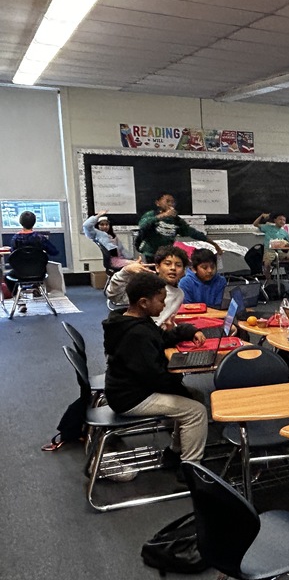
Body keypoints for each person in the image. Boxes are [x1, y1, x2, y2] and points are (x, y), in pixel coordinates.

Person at [103, 271, 210, 479]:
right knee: (196, 411)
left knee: (195, 397)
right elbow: (156, 378)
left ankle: (175, 451)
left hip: (132, 389)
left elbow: (163, 338)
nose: (164, 305)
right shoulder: (137, 334)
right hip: (132, 398)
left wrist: (189, 331)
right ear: (144, 302)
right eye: (161, 301)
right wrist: (179, 382)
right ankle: (192, 470)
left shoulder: (133, 320)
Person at [107, 245, 189, 326]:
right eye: (167, 264)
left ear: (183, 271)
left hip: (160, 333)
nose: (173, 268)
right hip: (141, 330)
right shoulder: (147, 287)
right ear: (157, 267)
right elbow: (114, 295)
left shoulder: (179, 294)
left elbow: (166, 320)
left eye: (178, 265)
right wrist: (125, 271)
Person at [136, 193, 221, 261]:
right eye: (167, 201)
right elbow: (143, 224)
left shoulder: (176, 220)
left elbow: (192, 232)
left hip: (165, 255)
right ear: (158, 203)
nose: (170, 204)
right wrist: (163, 215)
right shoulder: (152, 214)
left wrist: (213, 243)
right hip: (149, 254)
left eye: (173, 202)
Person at [252, 211, 289, 278]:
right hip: (269, 251)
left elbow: (287, 245)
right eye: (280, 219)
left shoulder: (284, 232)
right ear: (275, 220)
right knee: (267, 263)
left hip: (280, 252)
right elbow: (255, 224)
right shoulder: (268, 227)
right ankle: (268, 279)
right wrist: (261, 216)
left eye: (284, 220)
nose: (282, 221)